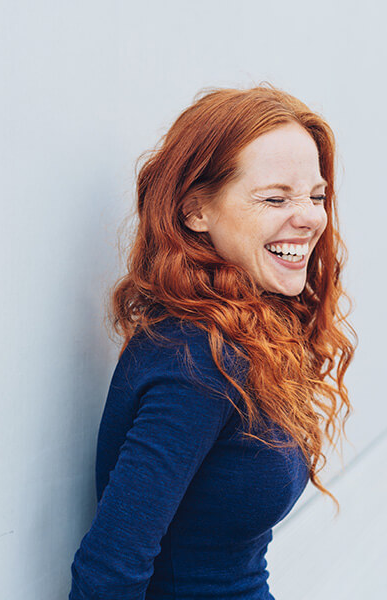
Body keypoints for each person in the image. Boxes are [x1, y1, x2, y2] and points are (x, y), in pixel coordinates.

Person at [67, 83, 357, 600]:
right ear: (195, 212)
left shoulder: (250, 332)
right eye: (275, 197)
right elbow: (107, 572)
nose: (312, 216)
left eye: (316, 196)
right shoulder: (198, 360)